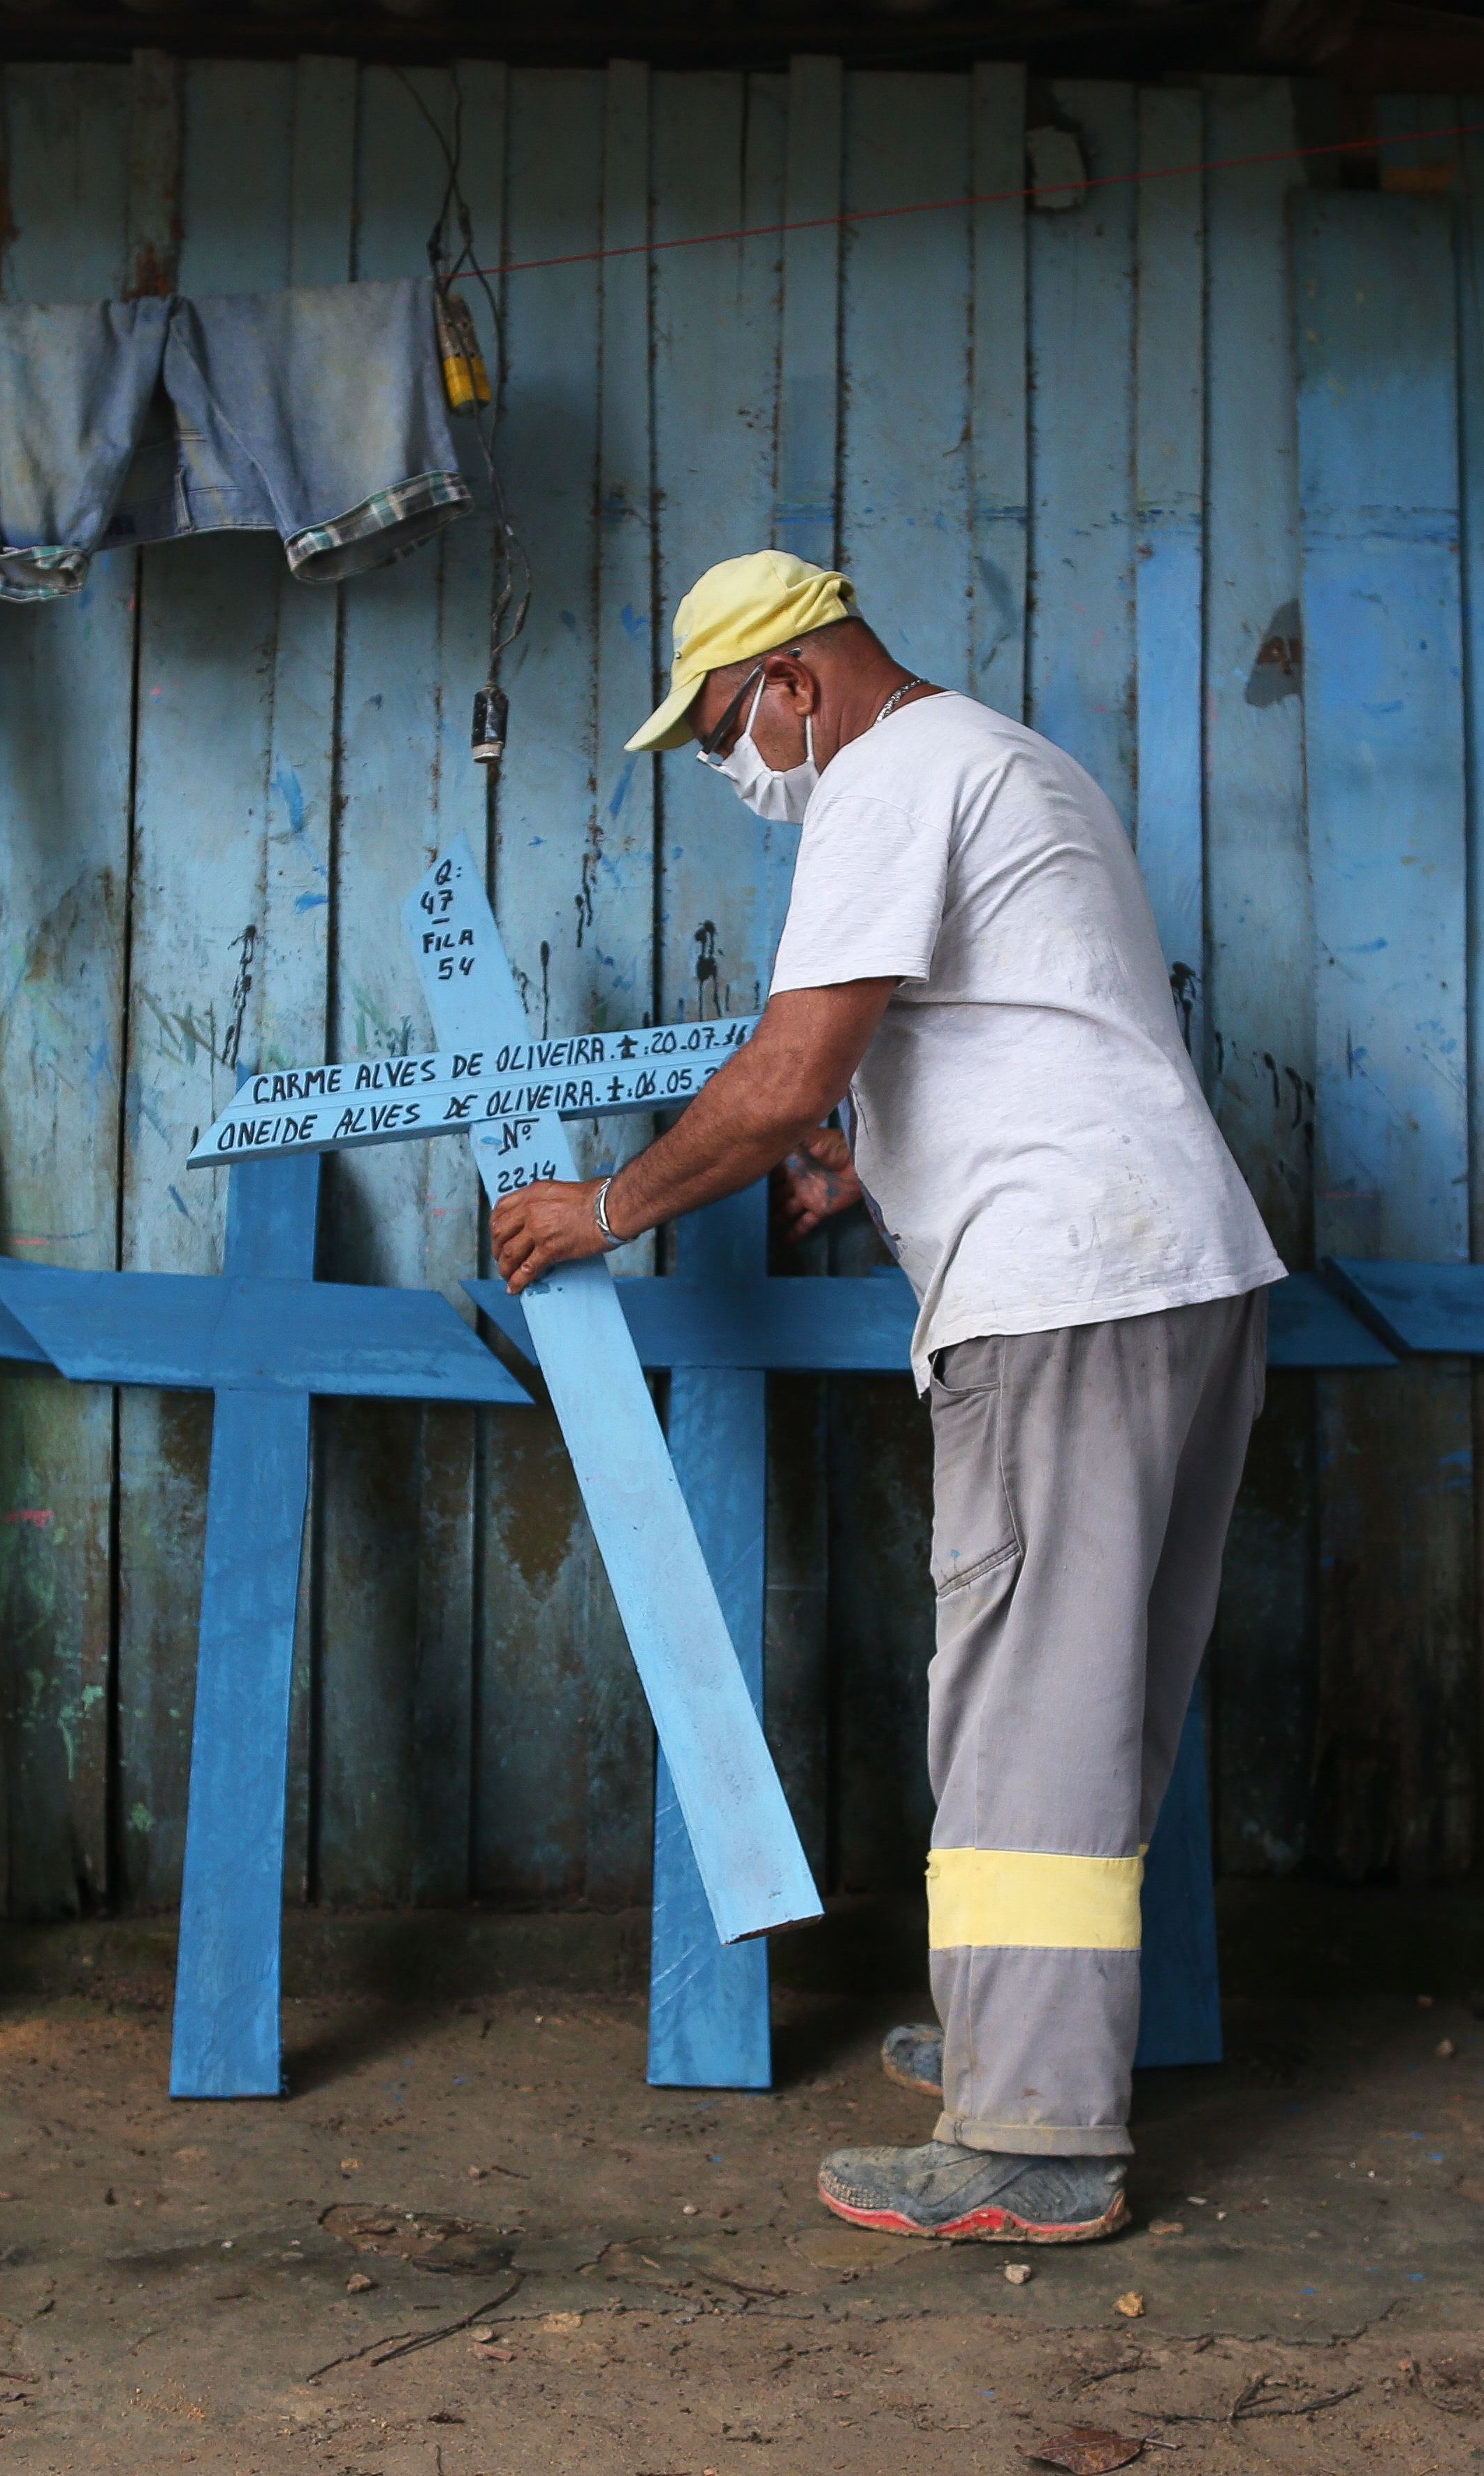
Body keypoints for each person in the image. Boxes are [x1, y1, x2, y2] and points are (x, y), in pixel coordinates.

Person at [489, 549, 1282, 2244]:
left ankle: (1035, 2139)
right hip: (1179, 1265)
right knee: (1099, 1693)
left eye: (723, 731)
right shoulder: (1015, 759)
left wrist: (604, 1209)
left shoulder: (886, 774)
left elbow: (783, 1077)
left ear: (793, 679)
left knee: (1024, 1699)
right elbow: (1032, 1023)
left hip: (1062, 1290)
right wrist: (881, 1168)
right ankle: (1021, 2034)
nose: (736, 771)